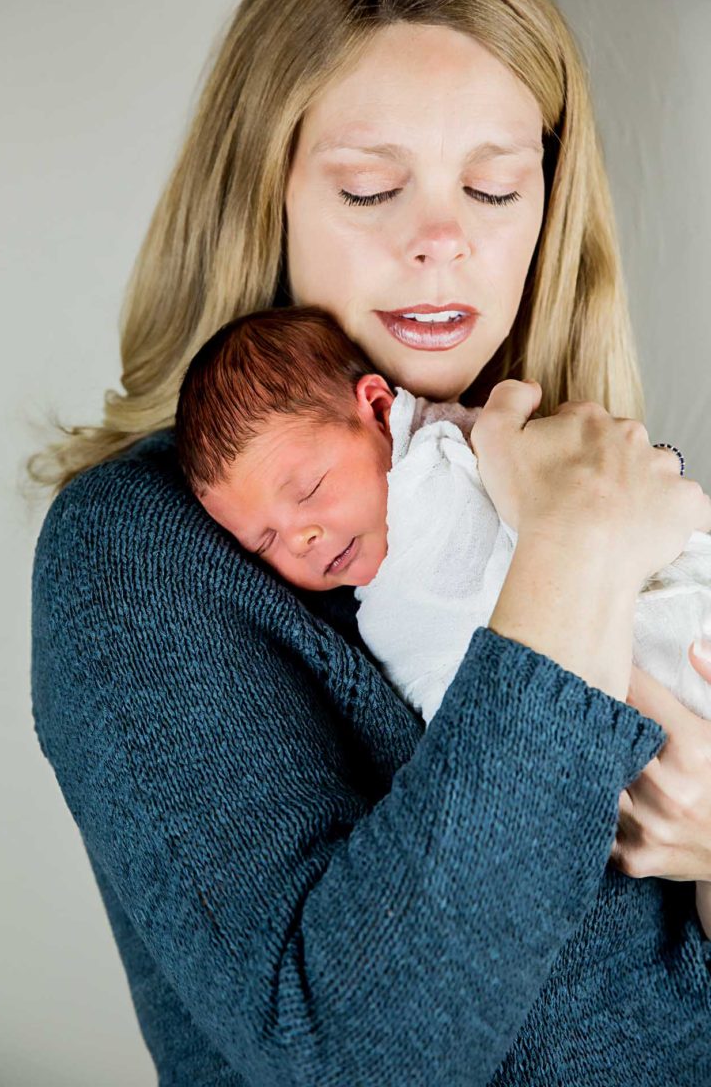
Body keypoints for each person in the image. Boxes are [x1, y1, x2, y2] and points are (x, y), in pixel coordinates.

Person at [28, 0, 711, 1083]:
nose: (441, 238)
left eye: (494, 185)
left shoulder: (605, 489)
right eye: (370, 187)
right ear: (268, 194)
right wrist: (572, 558)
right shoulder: (140, 554)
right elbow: (354, 1056)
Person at [173, 303, 711, 936]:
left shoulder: (445, 459)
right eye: (264, 540)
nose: (302, 538)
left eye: (310, 490)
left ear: (376, 410)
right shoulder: (369, 613)